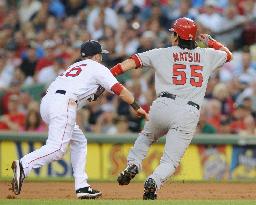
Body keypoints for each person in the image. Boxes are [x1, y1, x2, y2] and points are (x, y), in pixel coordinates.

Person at [110, 17, 232, 200]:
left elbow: (132, 61)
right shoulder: (208, 55)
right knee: (170, 160)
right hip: (189, 111)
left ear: (177, 36)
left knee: (146, 137)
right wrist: (211, 42)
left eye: (173, 33)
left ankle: (133, 164)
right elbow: (228, 55)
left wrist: (108, 74)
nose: (171, 36)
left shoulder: (162, 53)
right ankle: (154, 180)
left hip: (163, 105)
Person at [11, 40, 148, 199]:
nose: (101, 58)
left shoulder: (74, 67)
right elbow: (121, 91)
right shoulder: (98, 67)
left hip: (47, 103)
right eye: (101, 55)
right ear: (97, 56)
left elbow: (90, 90)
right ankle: (24, 164)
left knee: (79, 141)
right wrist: (138, 107)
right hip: (64, 104)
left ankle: (82, 186)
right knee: (57, 149)